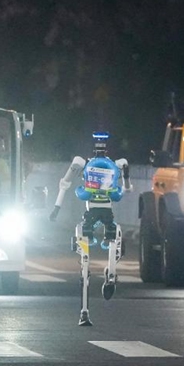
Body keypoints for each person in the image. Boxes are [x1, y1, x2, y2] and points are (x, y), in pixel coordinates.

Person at [50, 132, 131, 326]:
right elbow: (126, 184)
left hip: (99, 210)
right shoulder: (111, 164)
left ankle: (109, 275)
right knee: (90, 252)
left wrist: (56, 208)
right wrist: (56, 209)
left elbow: (65, 184)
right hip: (98, 211)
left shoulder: (91, 163)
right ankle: (85, 309)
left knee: (111, 235)